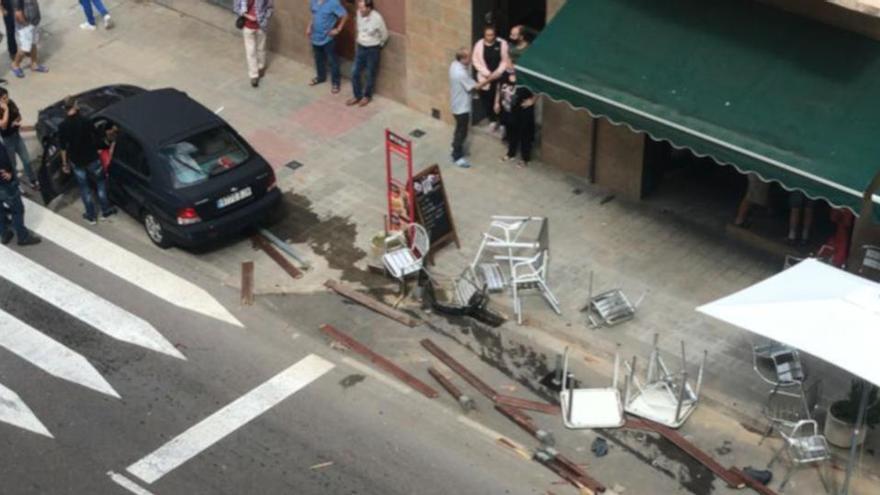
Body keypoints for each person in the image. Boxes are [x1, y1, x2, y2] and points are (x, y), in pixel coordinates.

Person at [58, 97, 116, 225]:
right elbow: (97, 136)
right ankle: (106, 210)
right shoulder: (86, 121)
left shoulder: (62, 126)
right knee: (100, 183)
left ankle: (90, 216)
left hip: (76, 161)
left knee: (84, 188)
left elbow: (63, 147)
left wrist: (64, 163)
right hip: (92, 158)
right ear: (75, 106)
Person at [449, 47, 490, 168]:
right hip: (462, 107)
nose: (471, 59)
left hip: (457, 104)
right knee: (462, 131)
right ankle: (457, 156)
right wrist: (489, 79)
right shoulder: (460, 73)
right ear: (462, 58)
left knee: (459, 129)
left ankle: (456, 147)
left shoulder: (454, 65)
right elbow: (475, 87)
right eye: (469, 57)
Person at [346, 0, 387, 107]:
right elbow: (359, 28)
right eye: (359, 7)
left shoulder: (377, 18)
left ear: (369, 8)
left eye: (362, 8)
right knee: (354, 72)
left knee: (370, 74)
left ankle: (367, 96)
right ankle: (357, 95)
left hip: (372, 49)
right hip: (360, 47)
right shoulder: (359, 13)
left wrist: (378, 45)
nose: (360, 10)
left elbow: (385, 34)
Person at [0, 139, 40, 245]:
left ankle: (4, 234)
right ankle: (22, 236)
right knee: (17, 209)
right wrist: (9, 174)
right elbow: (4, 161)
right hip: (5, 185)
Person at [472, 26, 509, 131]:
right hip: (485, 78)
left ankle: (502, 122)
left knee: (501, 100)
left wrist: (498, 72)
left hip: (499, 76)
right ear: (484, 35)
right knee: (487, 100)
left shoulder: (501, 43)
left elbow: (505, 60)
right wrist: (487, 74)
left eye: (492, 35)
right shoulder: (479, 45)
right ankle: (492, 120)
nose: (490, 37)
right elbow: (475, 61)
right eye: (487, 35)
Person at [496, 69, 536, 167]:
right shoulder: (505, 74)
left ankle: (525, 159)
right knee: (510, 133)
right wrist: (496, 102)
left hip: (523, 113)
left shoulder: (526, 76)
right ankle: (511, 153)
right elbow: (499, 87)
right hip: (508, 111)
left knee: (524, 136)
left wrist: (533, 100)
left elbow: (538, 88)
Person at [307, 0, 347, 94]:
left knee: (333, 61)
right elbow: (314, 15)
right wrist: (309, 27)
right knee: (318, 58)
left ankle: (335, 83)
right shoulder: (313, 1)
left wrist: (338, 29)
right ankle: (321, 77)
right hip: (315, 37)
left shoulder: (334, 3)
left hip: (328, 39)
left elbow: (344, 15)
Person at [0, 88, 36, 189]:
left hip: (16, 136)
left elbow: (18, 115)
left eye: (7, 97)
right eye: (4, 98)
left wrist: (16, 121)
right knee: (13, 164)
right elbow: (3, 125)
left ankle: (32, 180)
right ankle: (17, 183)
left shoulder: (11, 103)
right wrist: (5, 109)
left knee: (26, 160)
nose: (7, 99)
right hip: (7, 140)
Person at [234, 0, 274, 88]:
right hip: (247, 27)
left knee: (261, 48)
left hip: (261, 26)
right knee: (250, 52)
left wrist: (264, 19)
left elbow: (270, 7)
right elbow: (236, 8)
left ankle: (261, 67)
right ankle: (253, 76)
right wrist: (247, 16)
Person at [11, 0, 47, 79]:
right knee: (24, 49)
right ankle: (15, 65)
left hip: (34, 22)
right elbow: (18, 13)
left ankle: (34, 64)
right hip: (25, 26)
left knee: (33, 44)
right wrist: (26, 25)